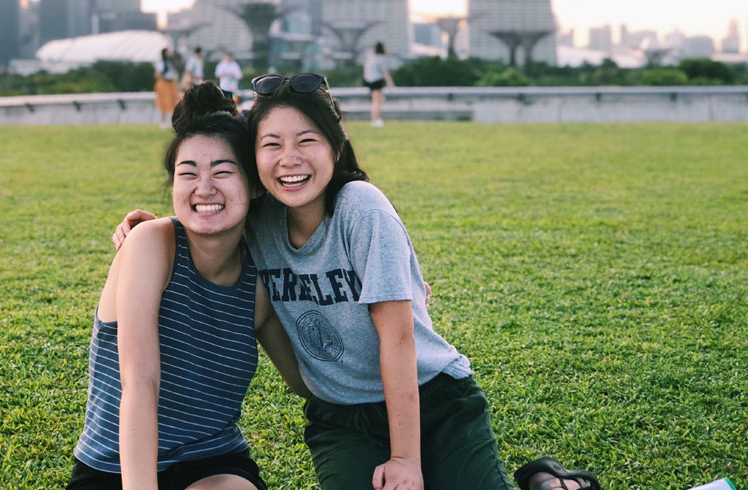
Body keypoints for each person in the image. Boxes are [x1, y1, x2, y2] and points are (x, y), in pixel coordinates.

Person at [113, 74, 600, 490]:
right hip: (342, 416)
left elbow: (398, 335)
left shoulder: (361, 207)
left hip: (433, 398)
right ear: (254, 163)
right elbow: (212, 210)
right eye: (271, 144)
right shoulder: (259, 221)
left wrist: (407, 460)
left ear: (336, 146)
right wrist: (150, 232)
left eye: (307, 140)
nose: (290, 159)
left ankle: (551, 481)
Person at [68, 82, 310, 490]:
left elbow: (310, 382)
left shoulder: (258, 282)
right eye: (188, 173)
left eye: (223, 172)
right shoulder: (150, 244)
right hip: (117, 468)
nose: (205, 188)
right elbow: (140, 383)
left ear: (252, 186)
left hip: (214, 463)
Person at [362, 42, 394, 128]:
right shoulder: (381, 58)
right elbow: (385, 72)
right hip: (376, 81)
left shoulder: (370, 56)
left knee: (379, 100)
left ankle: (376, 119)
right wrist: (390, 82)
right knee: (376, 101)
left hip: (368, 80)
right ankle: (375, 119)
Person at [153, 48, 180, 129]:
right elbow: (157, 75)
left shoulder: (170, 62)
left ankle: (173, 120)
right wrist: (165, 77)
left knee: (174, 101)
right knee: (164, 101)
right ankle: (163, 121)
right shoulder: (161, 63)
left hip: (171, 83)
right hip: (163, 83)